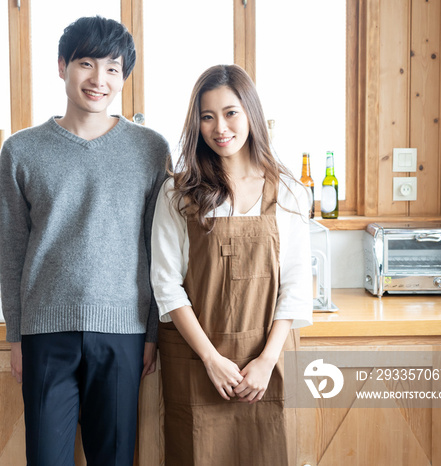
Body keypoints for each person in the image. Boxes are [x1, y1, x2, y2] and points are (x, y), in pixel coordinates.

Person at [0, 16, 170, 466]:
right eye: (86, 63)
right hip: (44, 332)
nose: (99, 79)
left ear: (124, 77)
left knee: (114, 458)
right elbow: (12, 250)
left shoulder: (151, 149)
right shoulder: (21, 150)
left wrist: (150, 334)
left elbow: (157, 248)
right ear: (61, 66)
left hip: (124, 331)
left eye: (113, 68)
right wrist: (15, 335)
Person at [150, 64, 313, 465]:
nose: (219, 127)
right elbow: (167, 285)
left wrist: (266, 360)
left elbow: (295, 285)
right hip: (196, 361)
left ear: (251, 114)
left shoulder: (289, 191)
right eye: (207, 116)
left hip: (263, 362)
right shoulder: (178, 192)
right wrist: (211, 359)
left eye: (230, 112)